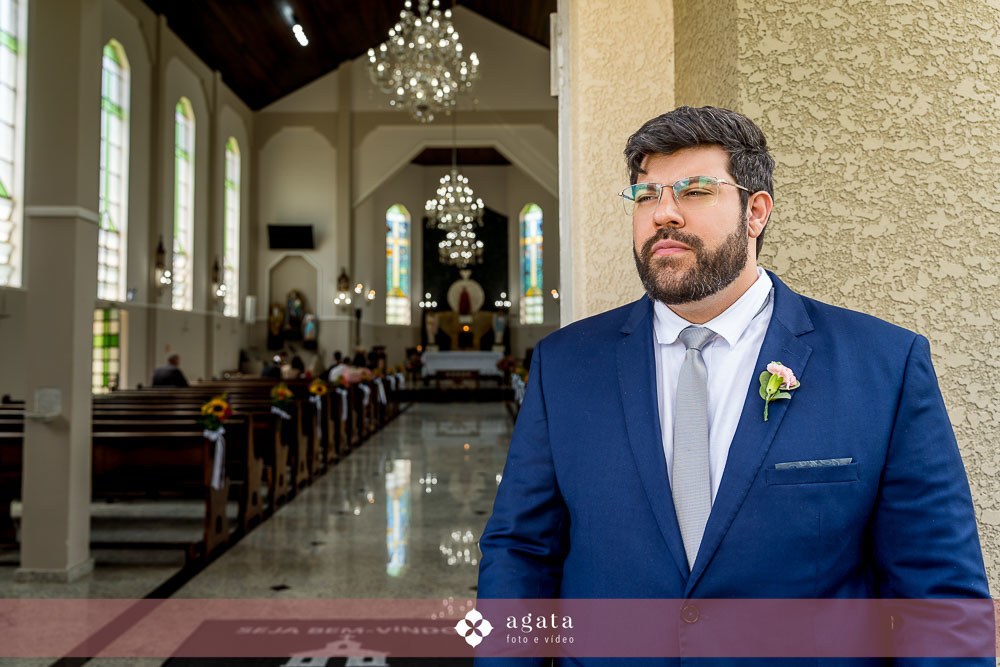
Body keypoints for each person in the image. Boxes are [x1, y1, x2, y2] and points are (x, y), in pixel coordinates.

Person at [477, 107, 991, 664]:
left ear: (756, 212)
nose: (663, 214)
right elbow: (520, 553)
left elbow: (938, 593)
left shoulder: (884, 365)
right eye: (646, 195)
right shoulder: (565, 366)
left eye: (694, 190)